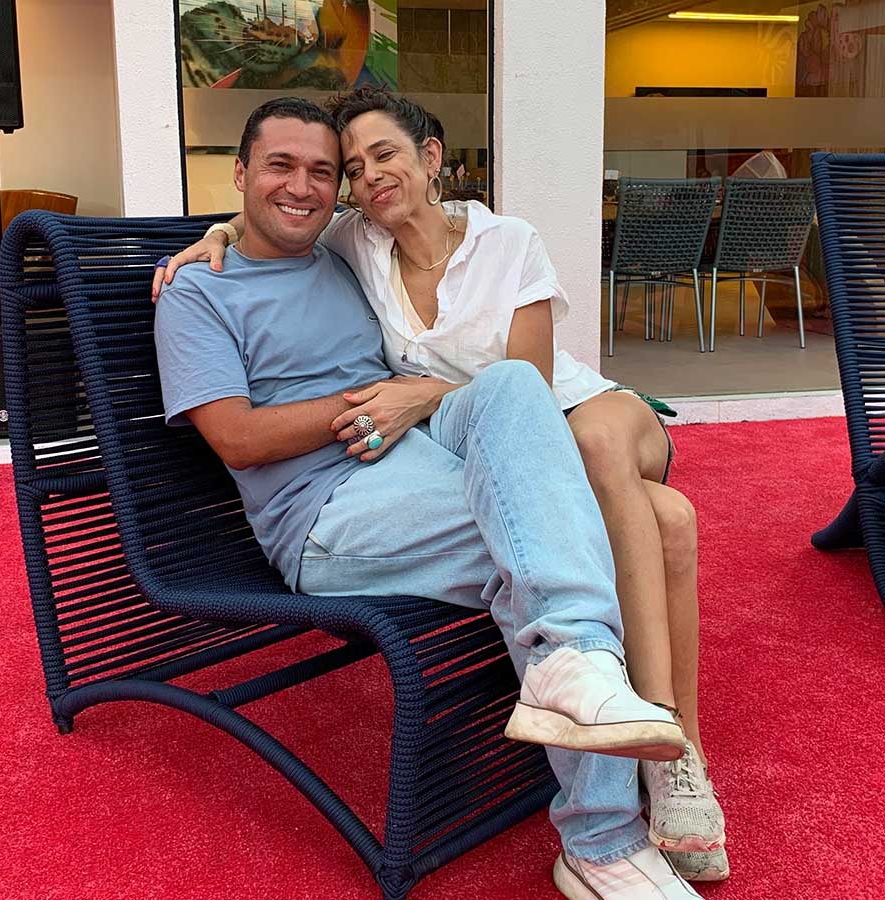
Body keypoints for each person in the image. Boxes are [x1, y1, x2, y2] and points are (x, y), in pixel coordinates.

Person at [157, 91, 730, 884]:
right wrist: (370, 399)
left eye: (324, 171)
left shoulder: (342, 250)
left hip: (419, 452)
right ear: (240, 172)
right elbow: (237, 438)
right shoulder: (197, 292)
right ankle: (602, 830)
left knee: (513, 387)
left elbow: (292, 228)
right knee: (576, 528)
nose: (305, 185)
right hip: (325, 512)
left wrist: (411, 399)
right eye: (281, 166)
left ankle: (581, 673)